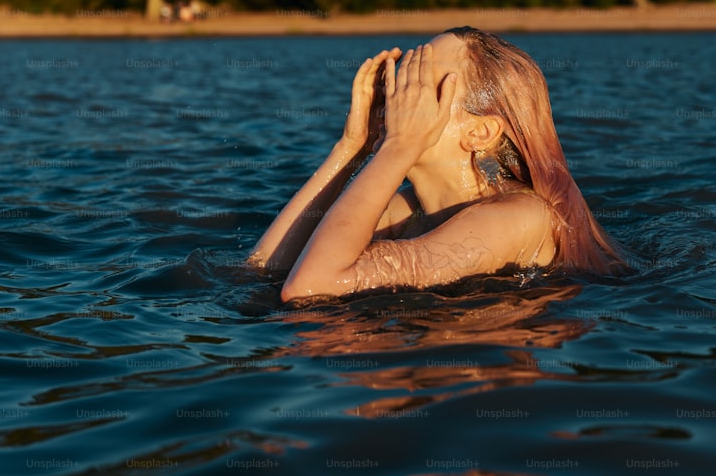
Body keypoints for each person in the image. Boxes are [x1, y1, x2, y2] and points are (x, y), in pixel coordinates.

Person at [248, 27, 624, 301]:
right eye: (405, 76)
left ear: (480, 133)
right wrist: (352, 148)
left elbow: (311, 287)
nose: (400, 94)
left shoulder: (520, 215)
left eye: (422, 83)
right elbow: (269, 268)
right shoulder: (409, 209)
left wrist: (397, 147)